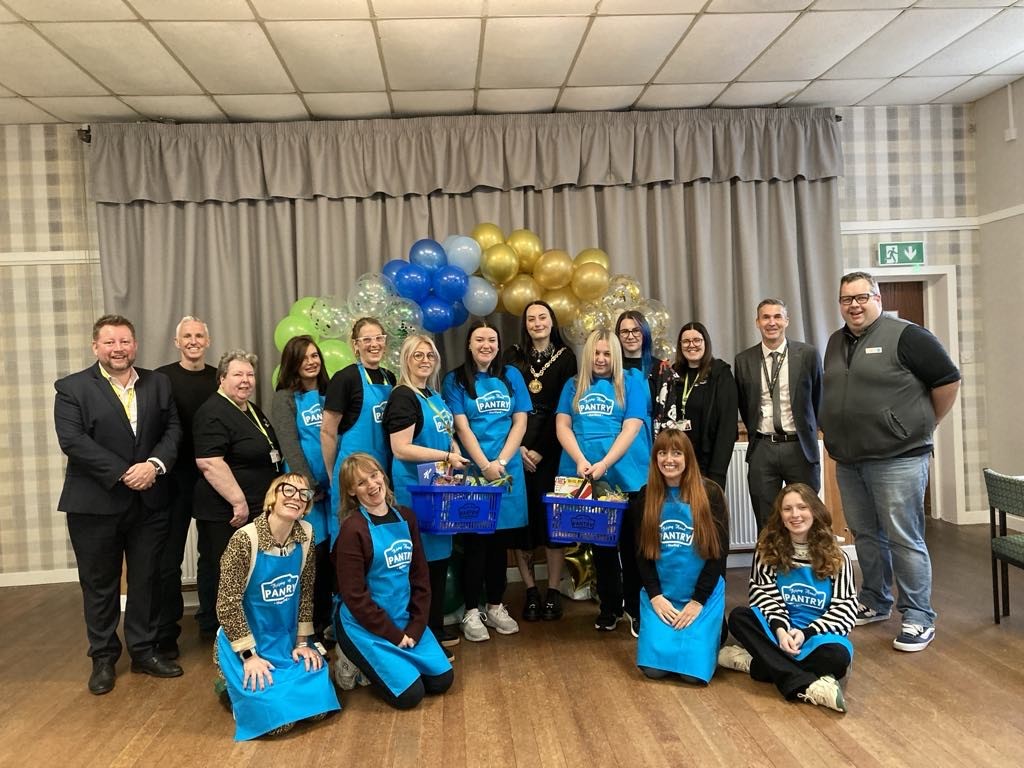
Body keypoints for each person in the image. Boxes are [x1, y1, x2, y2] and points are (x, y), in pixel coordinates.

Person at [819, 271, 961, 652]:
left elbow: (947, 380)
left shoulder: (908, 335)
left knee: (903, 536)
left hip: (898, 458)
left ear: (877, 298)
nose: (854, 305)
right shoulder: (835, 342)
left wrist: (920, 424)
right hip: (849, 459)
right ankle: (875, 600)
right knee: (865, 534)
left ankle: (918, 616)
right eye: (847, 299)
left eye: (861, 297)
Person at [54, 314, 183, 695]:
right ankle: (104, 658)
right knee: (100, 584)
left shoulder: (158, 383)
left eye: (124, 341)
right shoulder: (72, 388)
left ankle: (143, 652)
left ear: (135, 345)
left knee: (146, 579)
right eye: (109, 342)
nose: (118, 349)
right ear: (96, 347)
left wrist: (154, 466)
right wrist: (127, 472)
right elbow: (73, 441)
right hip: (95, 504)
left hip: (150, 500)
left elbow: (174, 430)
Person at [215, 473, 341, 739]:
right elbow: (227, 603)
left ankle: (262, 692)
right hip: (248, 643)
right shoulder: (245, 539)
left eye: (303, 494)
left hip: (284, 640)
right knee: (279, 725)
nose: (296, 497)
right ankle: (230, 686)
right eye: (288, 490)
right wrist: (249, 656)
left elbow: (306, 593)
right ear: (273, 496)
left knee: (318, 708)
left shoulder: (306, 534)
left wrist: (303, 643)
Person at [718, 484, 856, 713]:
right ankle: (805, 684)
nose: (795, 515)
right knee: (739, 617)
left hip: (816, 635)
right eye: (787, 509)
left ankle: (755, 664)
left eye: (802, 507)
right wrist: (781, 630)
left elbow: (845, 607)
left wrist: (805, 633)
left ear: (815, 511)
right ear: (780, 516)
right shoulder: (766, 549)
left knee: (838, 658)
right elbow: (761, 594)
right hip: (777, 631)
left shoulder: (837, 556)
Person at [334, 453, 454, 709]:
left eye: (374, 475)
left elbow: (421, 577)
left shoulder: (406, 517)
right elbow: (354, 596)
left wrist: (416, 627)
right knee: (411, 696)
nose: (372, 485)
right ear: (352, 492)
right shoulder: (352, 529)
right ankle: (351, 659)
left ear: (383, 476)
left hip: (404, 618)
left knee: (442, 681)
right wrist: (394, 635)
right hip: (365, 625)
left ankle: (396, 664)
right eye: (361, 482)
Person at [443, 320, 530, 642]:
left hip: (507, 472)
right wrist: (483, 465)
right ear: (468, 344)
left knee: (498, 544)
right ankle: (470, 611)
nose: (486, 345)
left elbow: (519, 423)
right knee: (475, 543)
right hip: (473, 473)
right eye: (479, 339)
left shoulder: (512, 376)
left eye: (492, 339)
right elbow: (461, 428)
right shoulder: (455, 380)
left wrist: (501, 462)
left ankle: (495, 605)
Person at [555, 329, 649, 632]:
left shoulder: (631, 383)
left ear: (616, 356)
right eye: (596, 352)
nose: (600, 358)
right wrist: (582, 460)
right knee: (601, 546)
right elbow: (563, 425)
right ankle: (610, 606)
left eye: (607, 353)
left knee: (631, 547)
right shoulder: (573, 385)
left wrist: (605, 463)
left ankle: (635, 609)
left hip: (626, 476)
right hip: (585, 476)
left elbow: (632, 428)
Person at [382, 334, 469, 653]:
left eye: (429, 355)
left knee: (438, 561)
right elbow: (400, 448)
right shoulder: (403, 397)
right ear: (405, 360)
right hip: (416, 493)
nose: (424, 360)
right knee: (420, 566)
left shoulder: (432, 394)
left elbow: (445, 432)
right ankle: (421, 634)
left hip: (439, 488)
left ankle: (433, 626)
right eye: (417, 355)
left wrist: (454, 447)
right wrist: (446, 457)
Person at [193, 350, 282, 637]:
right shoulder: (212, 412)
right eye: (238, 374)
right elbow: (209, 462)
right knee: (225, 572)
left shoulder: (249, 408)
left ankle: (244, 628)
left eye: (250, 375)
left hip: (256, 506)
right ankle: (221, 632)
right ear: (221, 379)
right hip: (227, 511)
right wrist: (239, 502)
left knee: (248, 572)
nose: (245, 381)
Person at [634, 428, 728, 684]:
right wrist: (655, 596)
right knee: (653, 671)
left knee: (691, 677)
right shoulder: (646, 495)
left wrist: (698, 601)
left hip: (700, 596)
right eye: (662, 453)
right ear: (655, 459)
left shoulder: (710, 493)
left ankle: (717, 634)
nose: (669, 459)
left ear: (688, 458)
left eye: (676, 453)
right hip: (664, 595)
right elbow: (641, 553)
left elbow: (719, 555)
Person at [505, 301, 577, 622]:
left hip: (552, 449)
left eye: (542, 317)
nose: (537, 323)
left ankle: (553, 592)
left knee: (552, 526)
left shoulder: (567, 357)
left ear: (552, 321)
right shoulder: (512, 357)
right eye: (531, 318)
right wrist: (518, 448)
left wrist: (541, 449)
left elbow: (566, 409)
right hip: (516, 449)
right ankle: (531, 590)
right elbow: (504, 405)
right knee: (524, 526)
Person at [154, 315, 218, 658]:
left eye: (199, 335)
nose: (193, 341)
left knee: (212, 556)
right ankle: (167, 633)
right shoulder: (161, 379)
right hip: (173, 480)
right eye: (187, 336)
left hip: (212, 478)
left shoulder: (218, 378)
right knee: (168, 561)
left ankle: (211, 623)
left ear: (207, 341)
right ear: (177, 342)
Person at [734, 299, 823, 532]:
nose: (771, 322)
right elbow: (745, 404)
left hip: (799, 447)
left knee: (806, 517)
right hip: (763, 448)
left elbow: (818, 398)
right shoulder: (743, 360)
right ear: (757, 322)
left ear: (786, 321)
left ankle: (807, 568)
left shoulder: (808, 355)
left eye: (777, 317)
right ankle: (773, 568)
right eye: (765, 317)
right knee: (767, 520)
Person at [271, 335, 332, 642]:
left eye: (315, 355)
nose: (311, 362)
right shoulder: (284, 397)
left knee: (337, 555)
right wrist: (309, 486)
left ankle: (336, 620)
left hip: (335, 488)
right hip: (305, 493)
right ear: (292, 363)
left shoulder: (331, 392)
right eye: (304, 357)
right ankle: (314, 627)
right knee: (314, 558)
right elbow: (290, 446)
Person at [321, 318, 395, 544]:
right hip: (352, 475)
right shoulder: (345, 378)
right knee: (351, 541)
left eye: (379, 338)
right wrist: (334, 475)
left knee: (379, 542)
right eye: (366, 340)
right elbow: (327, 432)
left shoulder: (389, 378)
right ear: (355, 345)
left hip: (381, 472)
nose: (374, 344)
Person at [652, 321, 738, 490]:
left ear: (705, 343)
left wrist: (717, 472)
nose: (691, 345)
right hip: (676, 462)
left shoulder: (720, 374)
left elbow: (727, 427)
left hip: (708, 463)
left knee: (705, 513)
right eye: (686, 341)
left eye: (697, 340)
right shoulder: (672, 375)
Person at [614, 309, 656, 636]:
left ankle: (652, 603)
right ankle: (629, 606)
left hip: (652, 465)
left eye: (635, 329)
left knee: (650, 542)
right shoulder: (608, 371)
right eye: (624, 330)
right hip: (618, 466)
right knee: (626, 543)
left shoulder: (659, 370)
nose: (630, 335)